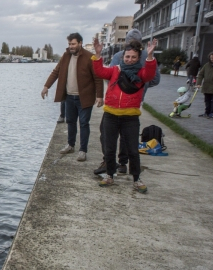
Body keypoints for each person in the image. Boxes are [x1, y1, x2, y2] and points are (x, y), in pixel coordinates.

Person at [92, 37, 158, 193]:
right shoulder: (115, 70)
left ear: (138, 58)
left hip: (130, 117)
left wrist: (149, 57)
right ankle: (109, 175)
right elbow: (100, 71)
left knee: (132, 150)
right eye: (127, 57)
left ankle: (136, 178)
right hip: (111, 115)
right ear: (123, 57)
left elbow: (150, 74)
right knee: (109, 148)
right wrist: (97, 54)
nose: (129, 60)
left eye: (133, 57)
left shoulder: (141, 73)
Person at [41, 32, 103, 161]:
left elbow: (98, 77)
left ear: (80, 43)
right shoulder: (66, 56)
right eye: (69, 44)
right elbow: (56, 72)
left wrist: (99, 96)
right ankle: (70, 145)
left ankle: (83, 150)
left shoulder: (89, 57)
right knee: (70, 122)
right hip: (69, 97)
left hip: (84, 97)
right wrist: (46, 86)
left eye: (73, 44)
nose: (71, 46)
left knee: (84, 123)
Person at [196, 52, 213, 119]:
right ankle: (207, 112)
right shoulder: (207, 65)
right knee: (207, 101)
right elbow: (200, 74)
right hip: (206, 87)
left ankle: (212, 113)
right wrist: (198, 83)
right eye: (211, 58)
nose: (212, 59)